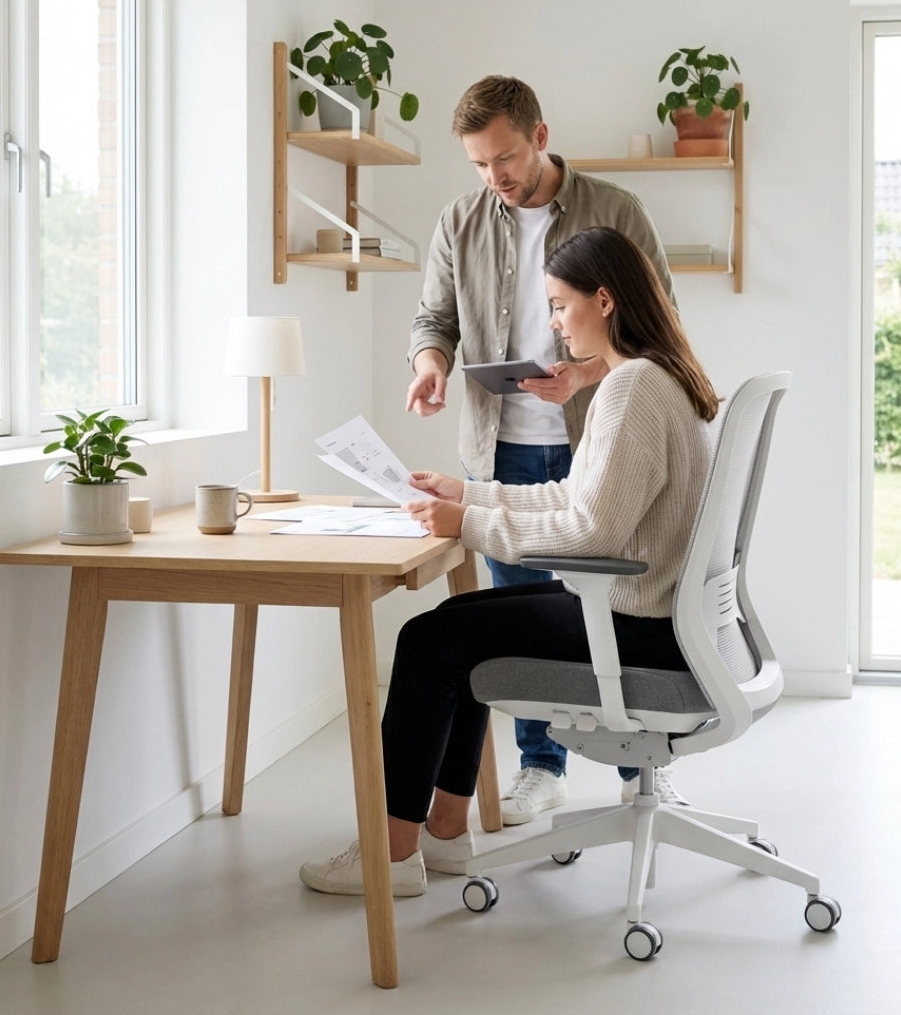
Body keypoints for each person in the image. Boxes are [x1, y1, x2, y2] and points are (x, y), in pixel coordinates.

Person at [300, 226, 719, 897]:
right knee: (456, 623)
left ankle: (391, 853)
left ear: (604, 300)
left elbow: (591, 532)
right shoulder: (652, 378)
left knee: (429, 640)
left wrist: (468, 525)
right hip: (656, 617)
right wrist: (468, 493)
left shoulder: (631, 389)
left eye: (560, 304)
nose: (555, 323)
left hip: (634, 628)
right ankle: (439, 833)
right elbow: (579, 498)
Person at [405, 75, 685, 824]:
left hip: (598, 436)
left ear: (539, 136)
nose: (493, 176)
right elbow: (433, 316)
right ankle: (539, 767)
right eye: (476, 164)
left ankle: (641, 770)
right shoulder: (461, 220)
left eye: (503, 157)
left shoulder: (615, 212)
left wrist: (588, 373)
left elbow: (657, 326)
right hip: (499, 447)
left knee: (612, 594)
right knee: (517, 612)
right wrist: (430, 362)